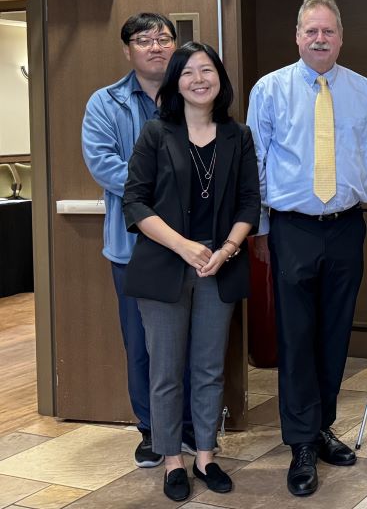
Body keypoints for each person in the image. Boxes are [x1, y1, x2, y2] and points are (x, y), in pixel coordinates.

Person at [246, 0, 367, 497]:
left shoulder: (363, 92)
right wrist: (262, 230)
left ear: (340, 37)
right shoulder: (269, 91)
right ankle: (300, 445)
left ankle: (321, 426)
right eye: (310, 31)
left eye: (327, 31)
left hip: (346, 227)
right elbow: (257, 166)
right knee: (296, 336)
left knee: (334, 334)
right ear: (297, 37)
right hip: (292, 227)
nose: (319, 39)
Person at [123, 42, 260, 501]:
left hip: (218, 266)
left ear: (220, 79)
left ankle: (205, 454)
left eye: (208, 70)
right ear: (175, 82)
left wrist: (227, 248)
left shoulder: (237, 136)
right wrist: (184, 247)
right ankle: (171, 459)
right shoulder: (156, 134)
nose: (199, 79)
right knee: (165, 369)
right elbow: (136, 202)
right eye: (188, 72)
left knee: (208, 367)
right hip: (165, 262)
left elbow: (248, 202)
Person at [82, 13, 198, 467]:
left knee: (192, 340)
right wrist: (164, 194)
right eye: (144, 40)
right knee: (142, 343)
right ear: (127, 49)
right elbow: (103, 165)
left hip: (193, 244)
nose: (155, 46)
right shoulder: (105, 103)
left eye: (164, 38)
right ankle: (152, 430)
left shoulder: (193, 93)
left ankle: (189, 426)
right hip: (133, 247)